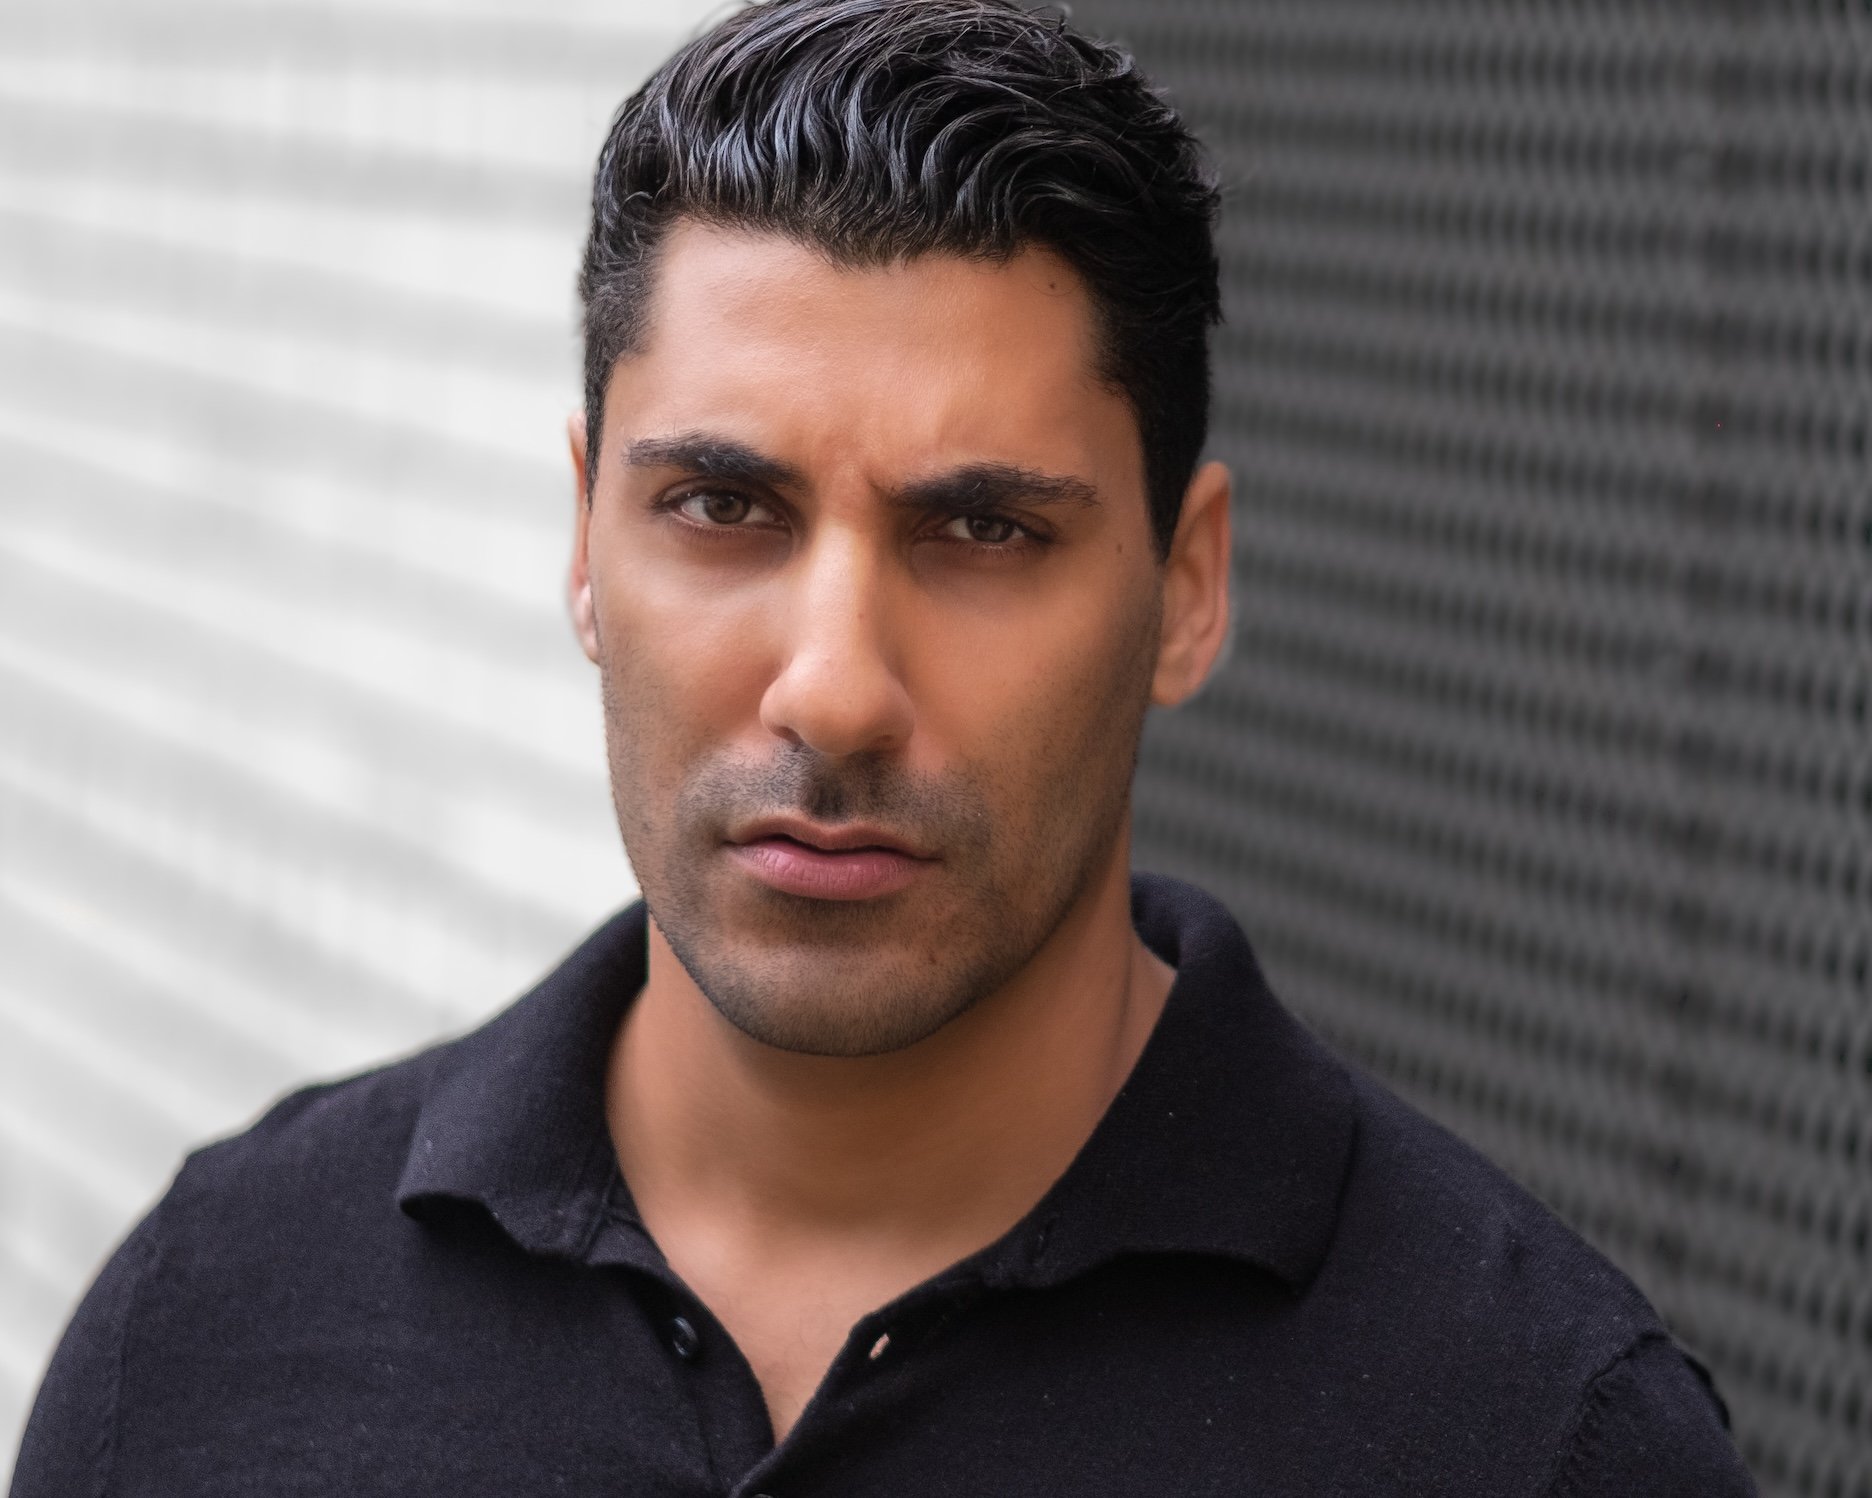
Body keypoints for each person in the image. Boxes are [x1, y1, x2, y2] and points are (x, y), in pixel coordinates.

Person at [11, 1, 1757, 1493]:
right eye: (720, 505)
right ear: (581, 547)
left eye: (984, 531)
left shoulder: (1534, 1435)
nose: (834, 687)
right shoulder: (201, 1327)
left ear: (1188, 592)